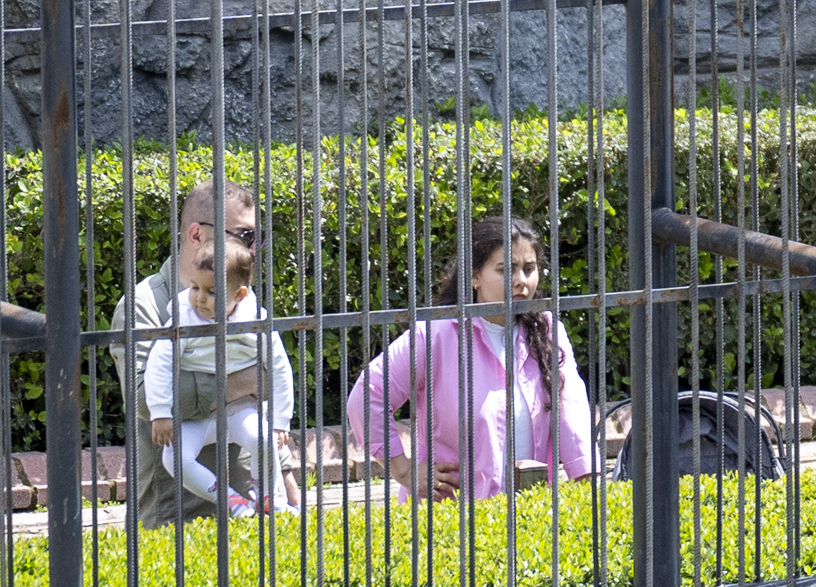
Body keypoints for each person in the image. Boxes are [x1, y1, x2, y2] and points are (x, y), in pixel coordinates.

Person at [345, 215, 599, 502]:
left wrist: (586, 480)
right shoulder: (436, 334)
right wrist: (404, 471)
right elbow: (368, 395)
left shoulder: (546, 328)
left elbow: (571, 408)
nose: (521, 281)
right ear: (475, 277)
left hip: (530, 511)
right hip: (448, 514)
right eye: (507, 270)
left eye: (530, 269)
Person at [112, 181, 299, 522]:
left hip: (251, 504)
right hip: (179, 513)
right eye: (244, 236)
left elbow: (275, 382)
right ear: (197, 235)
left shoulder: (239, 299)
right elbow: (143, 399)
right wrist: (247, 381)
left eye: (254, 238)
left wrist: (285, 476)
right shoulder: (145, 305)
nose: (252, 249)